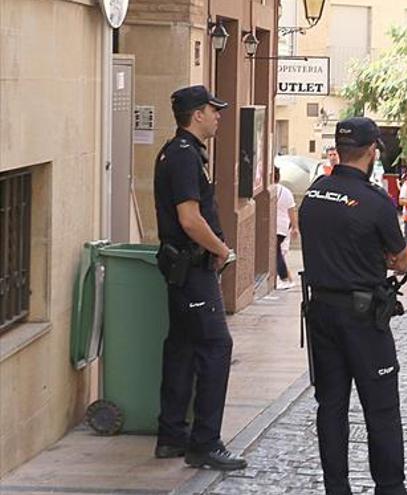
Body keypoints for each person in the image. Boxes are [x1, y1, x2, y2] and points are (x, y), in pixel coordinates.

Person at [299, 117, 407, 495]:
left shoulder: (314, 193)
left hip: (320, 312)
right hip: (362, 317)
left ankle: (337, 487)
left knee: (330, 405)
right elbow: (401, 260)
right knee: (380, 407)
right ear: (371, 151)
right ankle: (391, 487)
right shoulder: (375, 201)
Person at [152, 85, 246, 470]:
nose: (219, 116)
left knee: (183, 348)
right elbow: (190, 219)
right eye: (213, 109)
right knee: (216, 348)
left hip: (183, 269)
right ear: (197, 115)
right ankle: (205, 442)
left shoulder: (174, 152)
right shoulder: (186, 156)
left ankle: (172, 435)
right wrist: (222, 251)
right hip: (193, 270)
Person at [273, 166, 297, 290]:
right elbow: (291, 210)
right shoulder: (286, 192)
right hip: (282, 227)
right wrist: (294, 227)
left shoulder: (270, 190)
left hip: (273, 226)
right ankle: (287, 277)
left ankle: (284, 278)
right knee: (278, 251)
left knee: (276, 252)